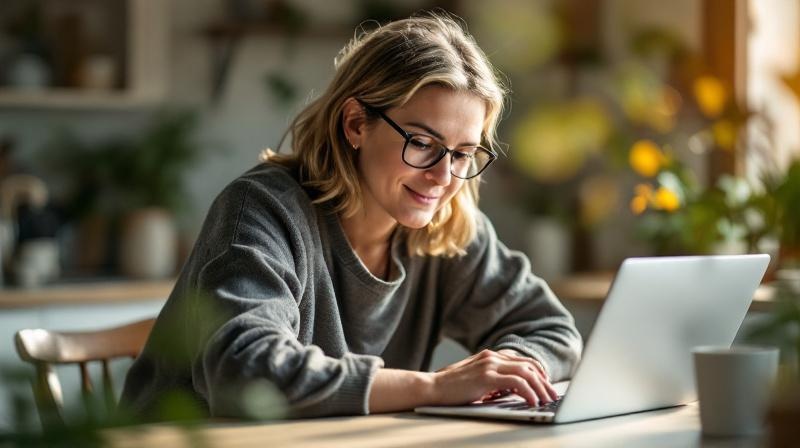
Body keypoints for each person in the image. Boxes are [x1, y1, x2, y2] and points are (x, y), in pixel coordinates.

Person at [120, 12, 582, 421]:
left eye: (463, 153)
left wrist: (513, 367)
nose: (444, 176)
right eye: (421, 143)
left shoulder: (448, 226)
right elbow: (245, 373)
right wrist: (435, 388)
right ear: (356, 124)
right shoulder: (261, 210)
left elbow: (554, 332)